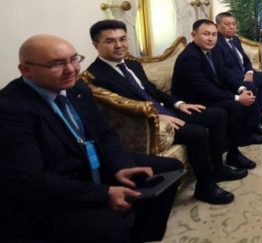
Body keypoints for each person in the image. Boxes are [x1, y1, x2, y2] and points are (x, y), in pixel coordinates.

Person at [0, 34, 181, 242]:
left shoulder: (77, 88)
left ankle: (144, 235)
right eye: (57, 64)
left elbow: (104, 133)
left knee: (170, 169)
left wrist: (120, 166)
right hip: (51, 191)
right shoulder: (10, 109)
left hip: (93, 164)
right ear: (26, 70)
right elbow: (29, 181)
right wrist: (103, 194)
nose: (71, 69)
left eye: (74, 59)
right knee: (111, 230)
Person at [87, 20, 246, 205]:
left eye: (122, 39)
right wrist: (156, 116)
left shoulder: (132, 64)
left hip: (167, 110)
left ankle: (218, 168)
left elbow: (151, 90)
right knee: (198, 133)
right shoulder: (95, 76)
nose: (119, 45)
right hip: (147, 123)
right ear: (96, 45)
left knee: (218, 115)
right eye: (110, 41)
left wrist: (179, 104)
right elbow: (119, 111)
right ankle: (205, 187)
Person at [172, 19, 262, 172]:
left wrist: (241, 89)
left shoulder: (211, 51)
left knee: (241, 99)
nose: (211, 38)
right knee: (235, 106)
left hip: (207, 96)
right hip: (194, 102)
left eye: (214, 34)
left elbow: (224, 74)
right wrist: (237, 98)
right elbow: (204, 89)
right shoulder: (190, 57)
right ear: (193, 35)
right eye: (206, 34)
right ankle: (232, 154)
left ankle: (234, 151)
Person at [214, 12, 262, 125]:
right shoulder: (216, 43)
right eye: (227, 24)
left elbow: (246, 60)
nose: (232, 27)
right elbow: (223, 70)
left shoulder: (235, 39)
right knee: (250, 86)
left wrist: (249, 73)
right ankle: (255, 123)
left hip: (244, 75)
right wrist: (243, 80)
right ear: (217, 26)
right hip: (232, 81)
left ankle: (260, 113)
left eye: (234, 24)